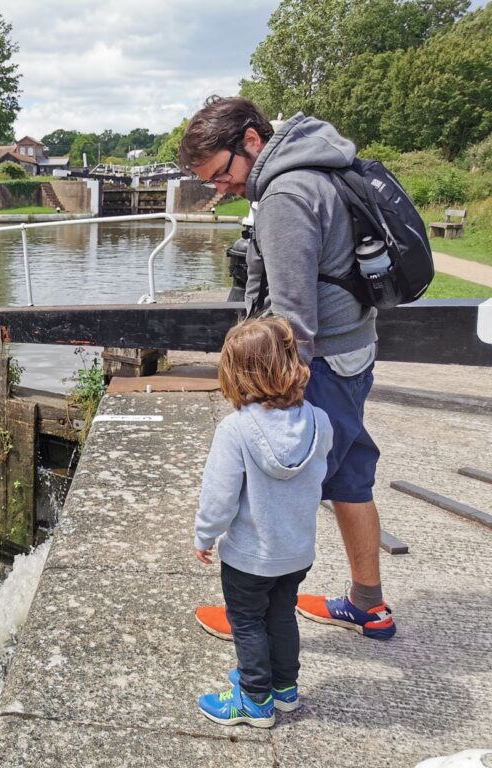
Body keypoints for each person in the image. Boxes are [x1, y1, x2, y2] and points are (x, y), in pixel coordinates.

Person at [179, 96, 397, 642]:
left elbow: (294, 319)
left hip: (318, 362)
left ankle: (251, 610)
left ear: (252, 140)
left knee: (269, 486)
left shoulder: (286, 195)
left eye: (221, 176)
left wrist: (265, 401)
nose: (220, 190)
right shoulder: (322, 162)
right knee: (350, 473)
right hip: (354, 349)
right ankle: (368, 604)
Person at [195, 316, 333, 727]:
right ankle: (284, 689)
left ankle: (255, 698)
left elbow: (218, 497)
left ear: (237, 374)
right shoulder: (318, 421)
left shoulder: (236, 429)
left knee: (248, 621)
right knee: (281, 614)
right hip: (296, 550)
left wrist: (205, 534)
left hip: (251, 556)